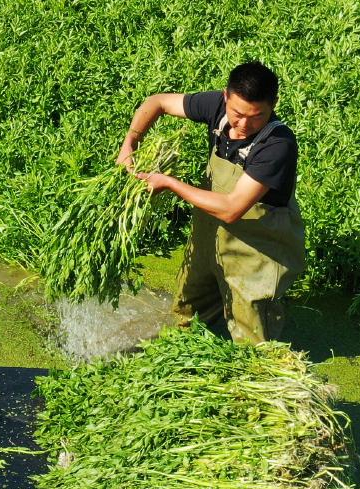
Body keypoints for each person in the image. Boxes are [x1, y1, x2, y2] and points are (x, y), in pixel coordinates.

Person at [115, 60, 304, 343]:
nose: (243, 124)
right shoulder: (216, 107)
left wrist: (169, 183)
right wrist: (131, 141)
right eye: (237, 113)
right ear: (226, 95)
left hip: (256, 251)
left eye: (257, 116)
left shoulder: (277, 145)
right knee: (185, 317)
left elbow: (231, 209)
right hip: (209, 237)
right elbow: (157, 102)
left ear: (273, 104)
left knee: (253, 342)